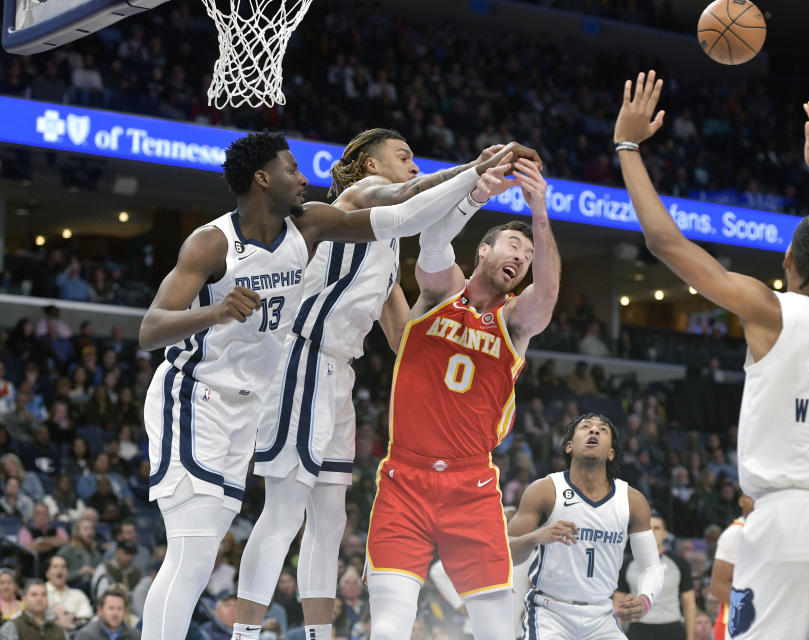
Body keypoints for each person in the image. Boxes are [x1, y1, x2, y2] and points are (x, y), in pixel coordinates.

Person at [138, 130, 531, 640]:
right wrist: (473, 176)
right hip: (301, 359)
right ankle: (248, 634)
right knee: (283, 512)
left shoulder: (385, 251)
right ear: (369, 163)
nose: (413, 167)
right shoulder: (356, 197)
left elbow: (403, 339)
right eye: (403, 157)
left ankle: (319, 635)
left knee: (331, 519)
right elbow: (408, 203)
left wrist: (449, 355)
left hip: (337, 373)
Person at [614, 70, 809, 638]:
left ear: (789, 263)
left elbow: (665, 242)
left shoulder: (771, 310)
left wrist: (628, 146)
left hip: (787, 524)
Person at [365, 156, 560, 640]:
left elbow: (550, 294)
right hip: (404, 476)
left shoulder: (515, 322)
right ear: (484, 252)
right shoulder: (439, 293)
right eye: (514, 246)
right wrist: (475, 194)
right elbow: (433, 241)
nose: (522, 258)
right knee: (389, 624)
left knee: (498, 630)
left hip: (472, 485)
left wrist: (539, 214)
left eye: (528, 257)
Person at [507, 413, 662, 639]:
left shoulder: (632, 500)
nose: (594, 431)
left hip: (601, 614)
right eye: (586, 427)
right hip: (551, 612)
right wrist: (536, 537)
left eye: (603, 430)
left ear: (611, 453)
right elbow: (505, 552)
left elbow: (651, 566)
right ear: (569, 446)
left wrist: (646, 598)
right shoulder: (545, 490)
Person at [622, 515, 696, 640]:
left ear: (665, 533)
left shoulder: (679, 563)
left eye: (656, 528)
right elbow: (618, 604)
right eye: (648, 528)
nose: (652, 532)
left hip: (672, 629)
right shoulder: (627, 564)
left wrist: (691, 638)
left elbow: (689, 604)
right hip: (639, 629)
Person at [708, 495, 753, 640]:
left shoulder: (769, 531)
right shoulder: (736, 533)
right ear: (741, 501)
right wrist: (756, 609)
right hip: (735, 626)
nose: (756, 502)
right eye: (751, 496)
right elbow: (717, 586)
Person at [0, 579, 66, 640]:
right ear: (23, 599)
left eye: (44, 595)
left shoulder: (58, 629)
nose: (40, 598)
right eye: (34, 595)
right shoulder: (13, 626)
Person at [45, 555, 94, 629]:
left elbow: (87, 617)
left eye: (63, 566)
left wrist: (71, 618)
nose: (60, 569)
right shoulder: (40, 594)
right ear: (47, 573)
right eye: (55, 566)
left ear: (67, 572)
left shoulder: (78, 594)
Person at [74, 586, 140, 640]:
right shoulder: (86, 636)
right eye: (111, 608)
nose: (115, 613)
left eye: (119, 608)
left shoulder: (135, 636)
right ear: (100, 610)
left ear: (125, 611)